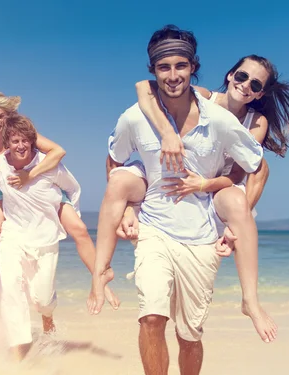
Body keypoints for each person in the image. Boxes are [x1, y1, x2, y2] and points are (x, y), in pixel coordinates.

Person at [88, 25, 267, 374]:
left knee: (189, 336)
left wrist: (236, 215)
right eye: (164, 67)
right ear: (153, 71)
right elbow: (114, 160)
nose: (173, 75)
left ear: (193, 67)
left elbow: (257, 167)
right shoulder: (134, 117)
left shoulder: (222, 120)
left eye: (180, 66)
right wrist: (127, 205)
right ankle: (100, 270)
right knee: (152, 317)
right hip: (154, 229)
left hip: (201, 236)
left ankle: (251, 301)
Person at [125, 53, 289, 342]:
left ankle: (250, 301)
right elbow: (144, 87)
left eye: (255, 85)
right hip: (184, 179)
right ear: (231, 75)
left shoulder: (257, 122)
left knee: (257, 173)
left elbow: (235, 174)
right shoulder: (204, 97)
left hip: (218, 186)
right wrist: (168, 133)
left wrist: (204, 184)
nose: (245, 86)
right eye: (242, 76)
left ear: (260, 93)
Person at [0, 92, 119, 319]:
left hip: (42, 188)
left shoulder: (23, 134)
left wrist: (30, 174)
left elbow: (58, 152)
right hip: (7, 193)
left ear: (9, 115)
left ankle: (101, 281)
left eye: (1, 116)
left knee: (79, 229)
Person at [0, 113, 82, 360]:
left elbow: (73, 188)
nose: (21, 145)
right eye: (15, 141)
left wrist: (69, 213)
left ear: (33, 142)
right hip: (13, 236)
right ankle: (20, 353)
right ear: (7, 143)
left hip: (45, 239)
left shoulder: (48, 164)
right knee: (11, 289)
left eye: (26, 140)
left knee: (43, 300)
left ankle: (47, 317)